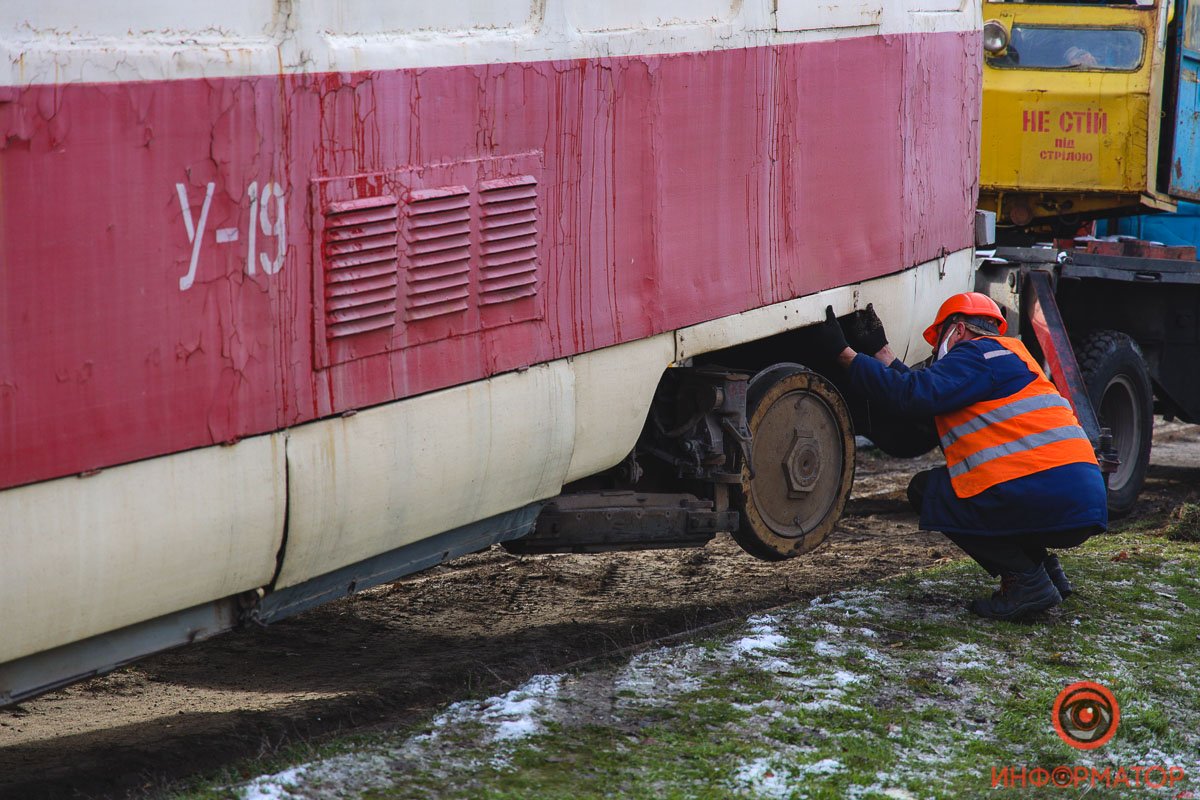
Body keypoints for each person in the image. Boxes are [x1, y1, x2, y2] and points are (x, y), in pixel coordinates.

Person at [815, 294, 1108, 620]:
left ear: (958, 330)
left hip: (1049, 496)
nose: (934, 353)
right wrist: (882, 353)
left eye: (938, 341)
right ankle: (1043, 571)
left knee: (929, 491)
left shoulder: (976, 352)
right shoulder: (1008, 356)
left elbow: (912, 395)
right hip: (1074, 502)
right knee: (981, 489)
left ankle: (1027, 582)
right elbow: (927, 396)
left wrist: (845, 355)